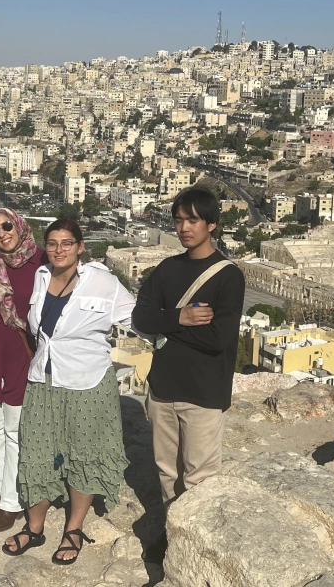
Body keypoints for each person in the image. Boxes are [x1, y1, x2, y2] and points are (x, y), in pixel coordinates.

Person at [2, 218, 134, 566]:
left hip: (87, 381)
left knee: (83, 455)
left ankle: (73, 529)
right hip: (43, 380)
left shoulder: (103, 282)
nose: (59, 249)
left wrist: (178, 323)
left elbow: (137, 318)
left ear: (80, 247)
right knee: (36, 452)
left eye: (67, 243)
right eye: (52, 243)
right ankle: (34, 527)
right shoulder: (41, 276)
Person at [132, 187, 245, 507]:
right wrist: (180, 317)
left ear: (211, 224)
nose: (184, 228)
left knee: (200, 479)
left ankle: (193, 535)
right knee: (167, 473)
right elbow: (140, 318)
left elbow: (219, 338)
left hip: (203, 394)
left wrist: (164, 324)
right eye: (179, 220)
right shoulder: (168, 269)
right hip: (162, 389)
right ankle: (170, 530)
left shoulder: (228, 277)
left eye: (192, 220)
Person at [0, 208, 45, 532]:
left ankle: (11, 501)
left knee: (15, 430)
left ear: (19, 226)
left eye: (6, 226)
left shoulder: (41, 262)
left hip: (22, 357)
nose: (2, 234)